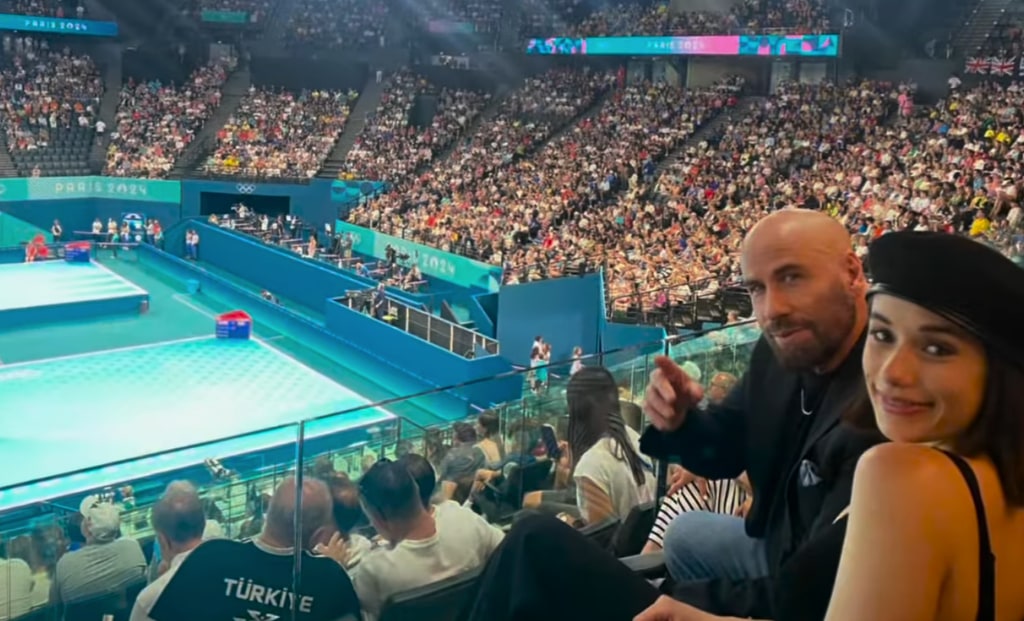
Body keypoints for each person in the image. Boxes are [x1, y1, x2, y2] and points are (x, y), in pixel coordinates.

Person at [461, 208, 886, 620]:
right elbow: (723, 448)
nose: (772, 309)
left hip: (795, 592)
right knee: (682, 533)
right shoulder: (780, 354)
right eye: (756, 288)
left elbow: (803, 596)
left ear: (852, 273)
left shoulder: (885, 409)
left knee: (533, 540)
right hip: (774, 547)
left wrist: (676, 598)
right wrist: (683, 419)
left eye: (792, 277)